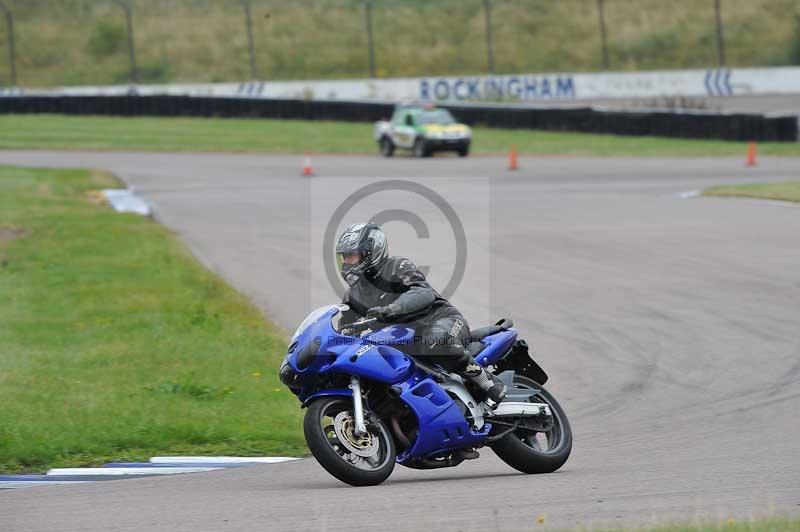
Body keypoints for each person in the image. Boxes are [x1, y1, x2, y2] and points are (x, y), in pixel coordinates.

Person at [335, 222, 507, 405]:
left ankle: (488, 382)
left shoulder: (396, 266)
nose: (346, 263)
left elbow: (422, 292)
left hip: (444, 321)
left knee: (435, 340)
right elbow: (345, 330)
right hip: (406, 341)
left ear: (371, 252)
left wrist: (391, 310)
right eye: (344, 257)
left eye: (351, 256)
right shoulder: (353, 294)